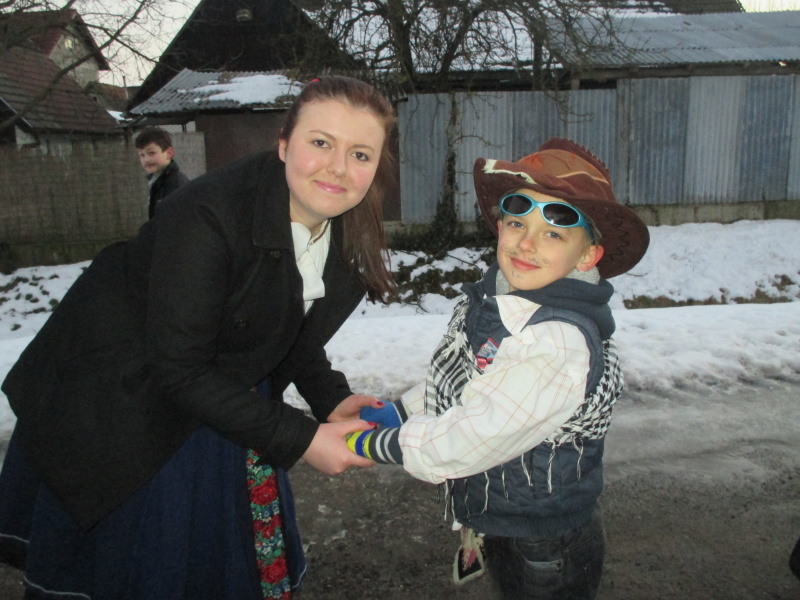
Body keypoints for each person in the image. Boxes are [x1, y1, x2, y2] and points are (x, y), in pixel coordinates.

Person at [0, 76, 395, 600]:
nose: (339, 167)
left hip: (216, 383)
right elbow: (180, 368)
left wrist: (330, 397)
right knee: (154, 561)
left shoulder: (339, 220)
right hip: (125, 392)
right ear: (283, 144)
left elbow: (280, 319)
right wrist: (302, 439)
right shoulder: (206, 213)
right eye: (321, 142)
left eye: (360, 154)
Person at [347, 139, 650, 599]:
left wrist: (380, 444)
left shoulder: (556, 340)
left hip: (543, 542)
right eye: (517, 223)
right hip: (508, 518)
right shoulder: (505, 301)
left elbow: (476, 432)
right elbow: (470, 378)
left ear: (587, 257)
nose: (526, 243)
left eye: (554, 233)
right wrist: (402, 411)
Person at [134, 126, 191, 219]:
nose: (146, 159)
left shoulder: (175, 184)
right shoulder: (158, 182)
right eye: (142, 155)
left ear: (169, 153)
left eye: (151, 153)